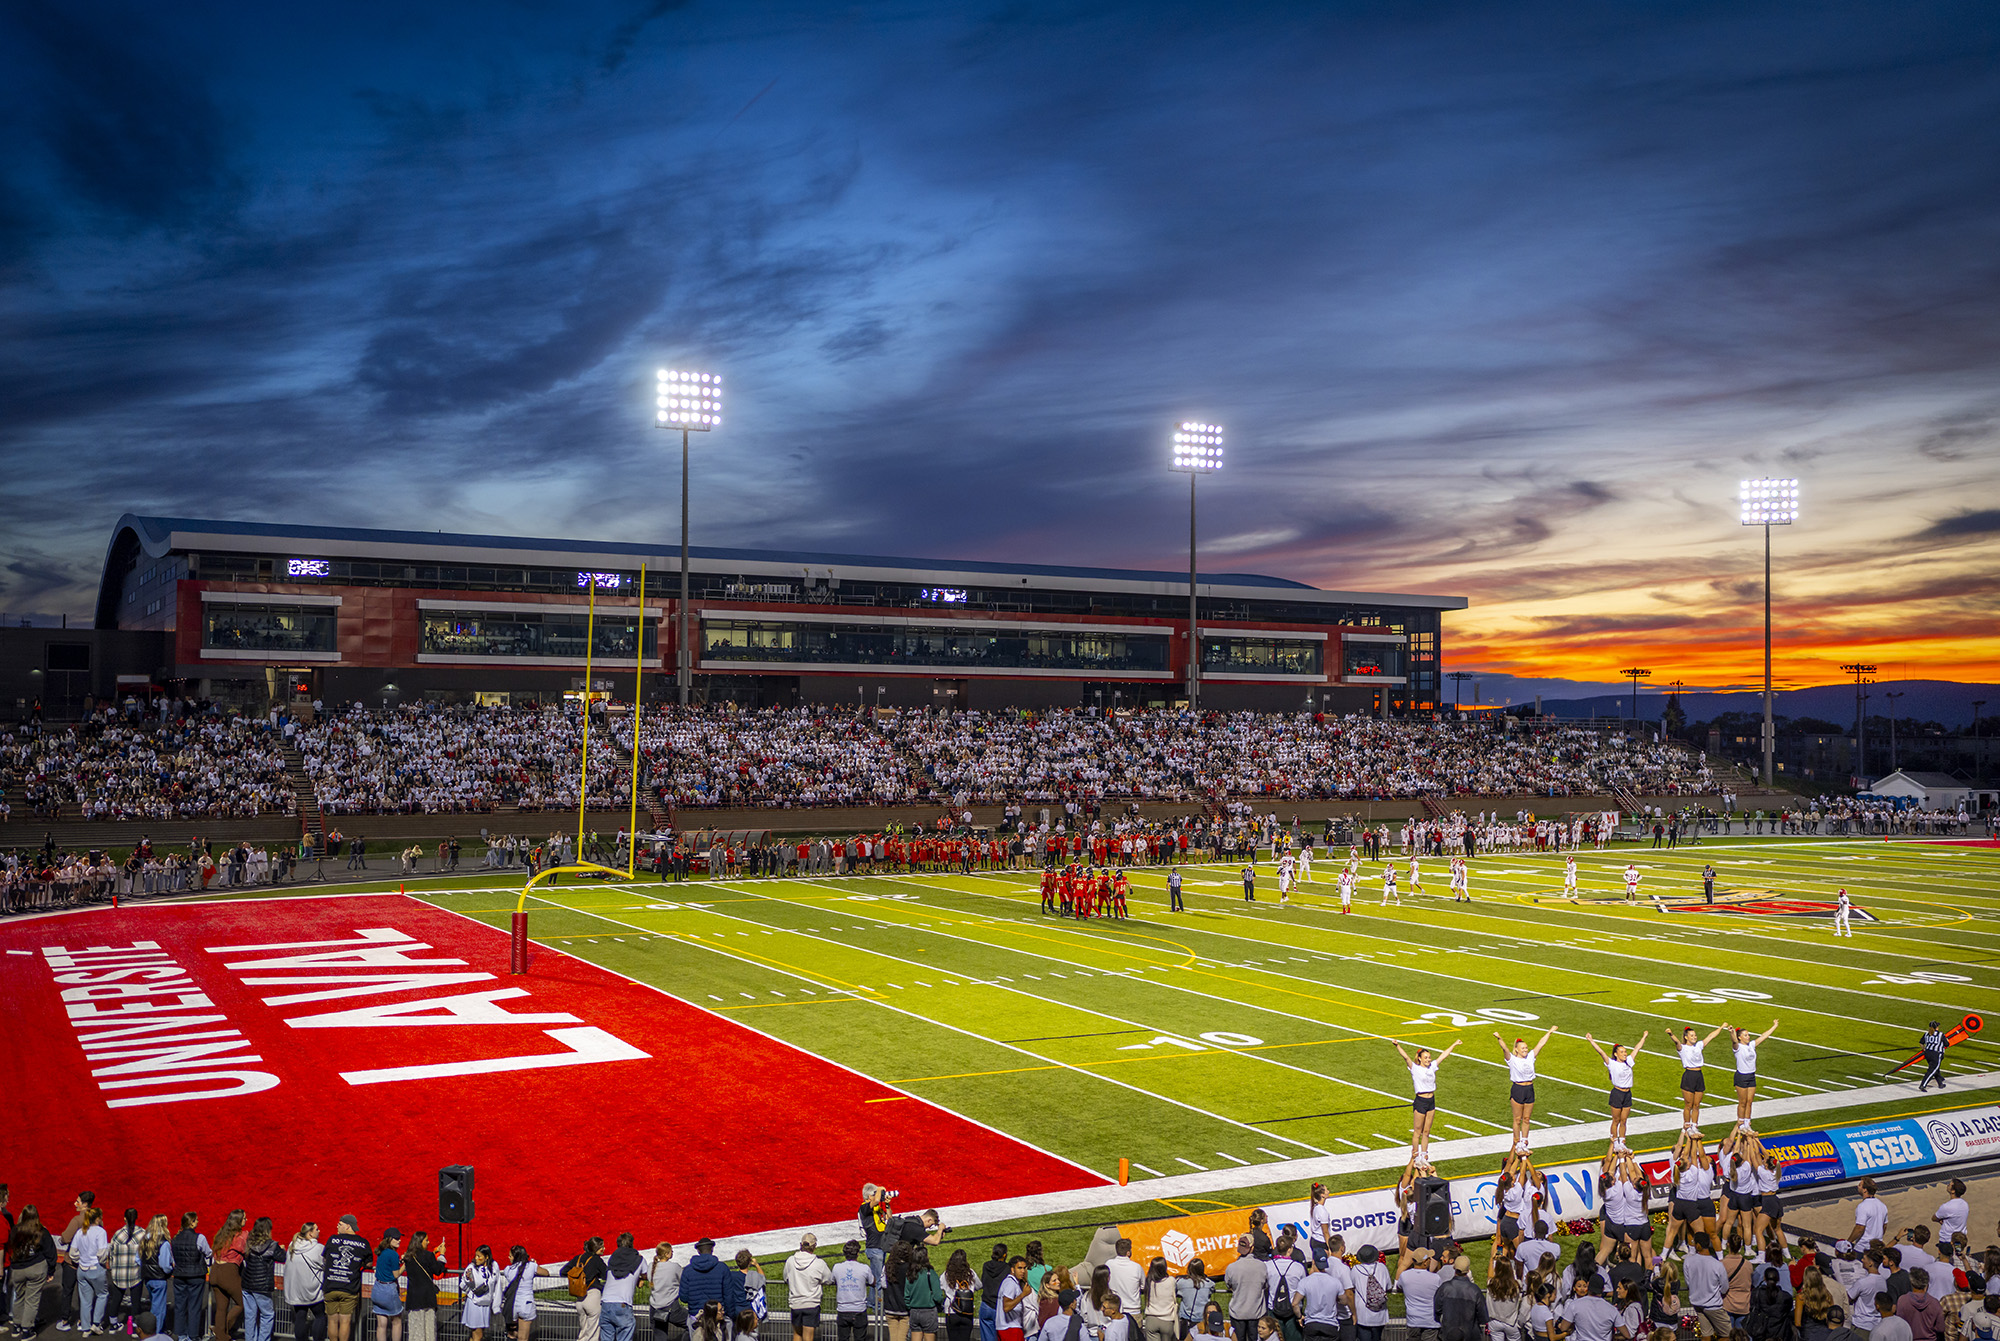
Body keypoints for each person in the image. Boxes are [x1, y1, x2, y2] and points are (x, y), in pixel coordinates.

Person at [1392, 1038, 1463, 1160]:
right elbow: (1406, 1058)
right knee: (1417, 1131)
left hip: (1431, 1100)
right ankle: (1415, 1154)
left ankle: (1424, 1154)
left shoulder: (1432, 1067)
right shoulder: (1415, 1068)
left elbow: (1443, 1055)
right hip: (1421, 1101)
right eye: (1426, 1057)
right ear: (1419, 1058)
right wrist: (1397, 1046)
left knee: (1426, 1131)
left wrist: (1454, 1044)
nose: (1428, 1059)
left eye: (1429, 1057)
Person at [1495, 1027, 1561, 1153]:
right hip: (1518, 1089)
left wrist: (1549, 1032)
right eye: (1523, 1048)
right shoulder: (1512, 1060)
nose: (1525, 1050)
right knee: (1517, 1119)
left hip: (1529, 1089)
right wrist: (1499, 1038)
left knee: (1526, 1119)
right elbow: (1505, 1049)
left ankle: (1525, 1141)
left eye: (1526, 1048)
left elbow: (1541, 1044)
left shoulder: (1531, 1057)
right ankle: (1516, 1142)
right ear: (1517, 1050)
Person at [1584, 1032, 1647, 1150]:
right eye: (1622, 1052)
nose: (1625, 1053)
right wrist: (1591, 1040)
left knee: (1624, 1120)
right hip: (1617, 1093)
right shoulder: (1611, 1064)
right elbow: (1601, 1052)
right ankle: (1614, 1142)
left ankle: (1622, 1142)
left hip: (1627, 1093)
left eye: (1625, 1051)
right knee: (1616, 1120)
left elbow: (1637, 1048)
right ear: (1616, 1054)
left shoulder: (1629, 1061)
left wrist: (1644, 1037)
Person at [1669, 1023, 1728, 1134]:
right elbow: (1676, 1042)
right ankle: (1687, 1126)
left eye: (1695, 1035)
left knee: (1697, 1104)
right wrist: (1671, 1034)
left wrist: (1721, 1027)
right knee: (1688, 1104)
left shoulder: (1699, 1045)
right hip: (1689, 1076)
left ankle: (1695, 1125)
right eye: (1691, 1035)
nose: (1694, 1037)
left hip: (1699, 1075)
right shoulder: (1683, 1048)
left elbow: (1710, 1036)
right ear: (1686, 1037)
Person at [12, 1207, 58, 1338]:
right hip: (36, 1268)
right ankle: (27, 1329)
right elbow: (51, 1252)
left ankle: (16, 1326)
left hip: (17, 1268)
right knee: (32, 1300)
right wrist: (51, 1270)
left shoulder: (16, 1230)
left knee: (19, 1297)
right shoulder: (41, 1231)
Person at [321, 1217, 370, 1341]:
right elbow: (369, 1263)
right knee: (345, 1321)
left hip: (331, 1286)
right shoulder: (363, 1243)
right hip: (349, 1287)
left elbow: (325, 1258)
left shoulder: (332, 1239)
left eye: (340, 1224)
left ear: (348, 1226)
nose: (337, 1226)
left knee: (332, 1321)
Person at [1730, 1021, 1780, 1132]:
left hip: (1751, 1076)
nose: (1748, 1036)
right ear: (1740, 1037)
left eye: (1748, 1034)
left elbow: (1763, 1036)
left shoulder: (1751, 1045)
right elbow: (1733, 1040)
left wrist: (1774, 1026)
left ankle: (1747, 1123)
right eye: (1746, 1035)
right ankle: (1741, 1123)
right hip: (1741, 1077)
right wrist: (1732, 1032)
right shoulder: (1737, 1048)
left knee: (1749, 1101)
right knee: (1742, 1102)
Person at [169, 1213, 213, 1341]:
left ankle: (180, 1334)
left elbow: (173, 1257)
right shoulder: (200, 1238)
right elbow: (208, 1253)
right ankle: (192, 1335)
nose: (198, 1222)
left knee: (180, 1305)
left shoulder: (175, 1238)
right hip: (196, 1275)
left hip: (179, 1275)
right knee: (194, 1306)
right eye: (196, 1220)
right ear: (192, 1222)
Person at [240, 1219, 285, 1341]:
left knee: (250, 1315)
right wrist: (282, 1249)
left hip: (247, 1283)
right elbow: (283, 1258)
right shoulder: (272, 1245)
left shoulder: (248, 1243)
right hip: (262, 1286)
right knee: (267, 1314)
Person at [208, 1209, 248, 1341]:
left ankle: (221, 1336)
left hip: (215, 1270)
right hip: (228, 1272)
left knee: (221, 1308)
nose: (246, 1220)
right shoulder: (240, 1235)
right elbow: (245, 1250)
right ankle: (221, 1331)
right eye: (244, 1218)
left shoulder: (221, 1233)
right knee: (241, 1303)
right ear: (238, 1221)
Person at [785, 1236, 833, 1341]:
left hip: (795, 1303)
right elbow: (829, 1279)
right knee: (808, 1338)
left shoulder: (790, 1261)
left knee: (797, 1334)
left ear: (801, 1244)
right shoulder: (819, 1263)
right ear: (814, 1246)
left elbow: (786, 1277)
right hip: (811, 1304)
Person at [285, 1224, 325, 1341]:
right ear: (310, 1233)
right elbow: (325, 1265)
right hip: (312, 1289)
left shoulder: (292, 1245)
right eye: (317, 1229)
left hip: (296, 1290)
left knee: (300, 1317)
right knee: (320, 1316)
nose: (319, 1231)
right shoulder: (318, 1248)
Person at [1225, 1236, 1267, 1341]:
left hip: (1237, 1312)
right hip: (1256, 1312)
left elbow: (1228, 1285)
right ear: (1252, 1248)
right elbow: (1265, 1285)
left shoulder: (1231, 1268)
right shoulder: (1262, 1266)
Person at [1395, 1246, 1441, 1341]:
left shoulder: (1404, 1276)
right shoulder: (1436, 1278)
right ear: (1424, 1263)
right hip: (1431, 1322)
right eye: (1429, 1259)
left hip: (1413, 1322)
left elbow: (1399, 1287)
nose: (1430, 1260)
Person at [568, 1239, 608, 1341]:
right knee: (593, 1333)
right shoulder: (596, 1260)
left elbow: (563, 1271)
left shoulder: (578, 1258)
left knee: (583, 1333)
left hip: (579, 1297)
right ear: (596, 1248)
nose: (604, 1249)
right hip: (592, 1296)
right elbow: (606, 1275)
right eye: (602, 1247)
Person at [1348, 1247, 1390, 1341]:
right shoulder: (1382, 1267)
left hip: (1363, 1314)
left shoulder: (1356, 1269)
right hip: (1380, 1313)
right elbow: (1388, 1286)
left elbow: (1351, 1287)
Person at [831, 1244, 871, 1341]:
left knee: (843, 1338)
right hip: (859, 1310)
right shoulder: (864, 1268)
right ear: (857, 1254)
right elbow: (872, 1281)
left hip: (843, 1309)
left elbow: (831, 1280)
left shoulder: (837, 1267)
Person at [372, 1229, 406, 1341]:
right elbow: (396, 1275)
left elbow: (387, 1266)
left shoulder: (381, 1251)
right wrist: (405, 1264)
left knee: (381, 1324)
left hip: (377, 1289)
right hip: (389, 1290)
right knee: (397, 1322)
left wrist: (398, 1262)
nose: (399, 1240)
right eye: (396, 1238)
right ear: (390, 1239)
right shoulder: (393, 1254)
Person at [497, 1247, 537, 1341]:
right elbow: (546, 1272)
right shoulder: (531, 1266)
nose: (508, 1257)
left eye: (510, 1256)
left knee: (512, 1334)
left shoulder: (508, 1270)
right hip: (526, 1305)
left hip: (513, 1305)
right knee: (523, 1338)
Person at [906, 1249, 944, 1341]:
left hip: (914, 1311)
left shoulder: (910, 1274)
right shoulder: (930, 1273)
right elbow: (938, 1296)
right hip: (928, 1312)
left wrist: (910, 1307)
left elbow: (906, 1296)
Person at [458, 1248, 496, 1341]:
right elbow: (464, 1283)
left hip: (485, 1304)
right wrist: (471, 1292)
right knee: (477, 1336)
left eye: (479, 1256)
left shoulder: (492, 1268)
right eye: (476, 1256)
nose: (476, 1258)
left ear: (486, 1257)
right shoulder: (471, 1268)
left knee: (476, 1335)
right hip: (475, 1304)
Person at [650, 1244, 685, 1341]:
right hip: (671, 1308)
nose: (672, 1253)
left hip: (654, 1308)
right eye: (671, 1251)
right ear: (666, 1254)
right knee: (693, 1324)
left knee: (660, 1337)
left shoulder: (651, 1267)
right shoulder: (675, 1267)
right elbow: (682, 1280)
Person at [1894, 1271, 1941, 1341]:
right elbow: (1940, 1328)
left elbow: (1899, 1325)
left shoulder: (1902, 1300)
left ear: (1911, 1284)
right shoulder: (1934, 1303)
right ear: (1927, 1285)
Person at [1177, 1261, 1216, 1341]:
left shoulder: (1182, 1283)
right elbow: (1212, 1285)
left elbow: (1176, 1285)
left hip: (1187, 1320)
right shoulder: (1208, 1284)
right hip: (1202, 1320)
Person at [1851, 1182, 1890, 1251]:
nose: (1857, 1186)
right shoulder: (1882, 1205)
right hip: (1877, 1246)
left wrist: (1848, 1242)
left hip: (1863, 1247)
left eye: (1860, 1185)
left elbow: (1860, 1228)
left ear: (1865, 1190)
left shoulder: (1862, 1206)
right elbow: (1884, 1226)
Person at [1919, 1024, 1947, 1092]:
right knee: (1932, 1070)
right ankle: (1923, 1085)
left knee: (1935, 1069)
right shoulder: (1940, 1034)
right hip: (1936, 1054)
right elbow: (1946, 1044)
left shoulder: (1926, 1034)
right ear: (1937, 1028)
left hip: (1928, 1054)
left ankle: (1940, 1083)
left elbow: (1921, 1043)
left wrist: (1924, 1049)